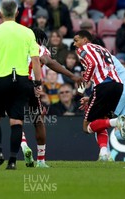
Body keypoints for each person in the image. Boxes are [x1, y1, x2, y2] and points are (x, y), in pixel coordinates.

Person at [0, 0, 43, 170]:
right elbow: (36, 59)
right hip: (22, 80)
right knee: (16, 121)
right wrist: (38, 84)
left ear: (0, 13)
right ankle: (13, 161)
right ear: (17, 13)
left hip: (1, 79)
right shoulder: (28, 32)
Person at [20, 28, 83, 168]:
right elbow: (49, 61)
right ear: (41, 40)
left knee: (15, 118)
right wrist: (72, 76)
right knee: (38, 121)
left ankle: (24, 144)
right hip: (33, 85)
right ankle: (41, 160)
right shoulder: (41, 49)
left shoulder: (19, 45)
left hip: (16, 84)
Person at [73, 29, 124, 161]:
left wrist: (83, 85)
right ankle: (103, 153)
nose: (74, 44)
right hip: (118, 86)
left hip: (103, 86)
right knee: (100, 121)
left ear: (85, 40)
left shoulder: (82, 49)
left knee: (86, 126)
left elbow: (92, 64)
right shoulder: (103, 49)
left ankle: (116, 122)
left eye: (76, 40)